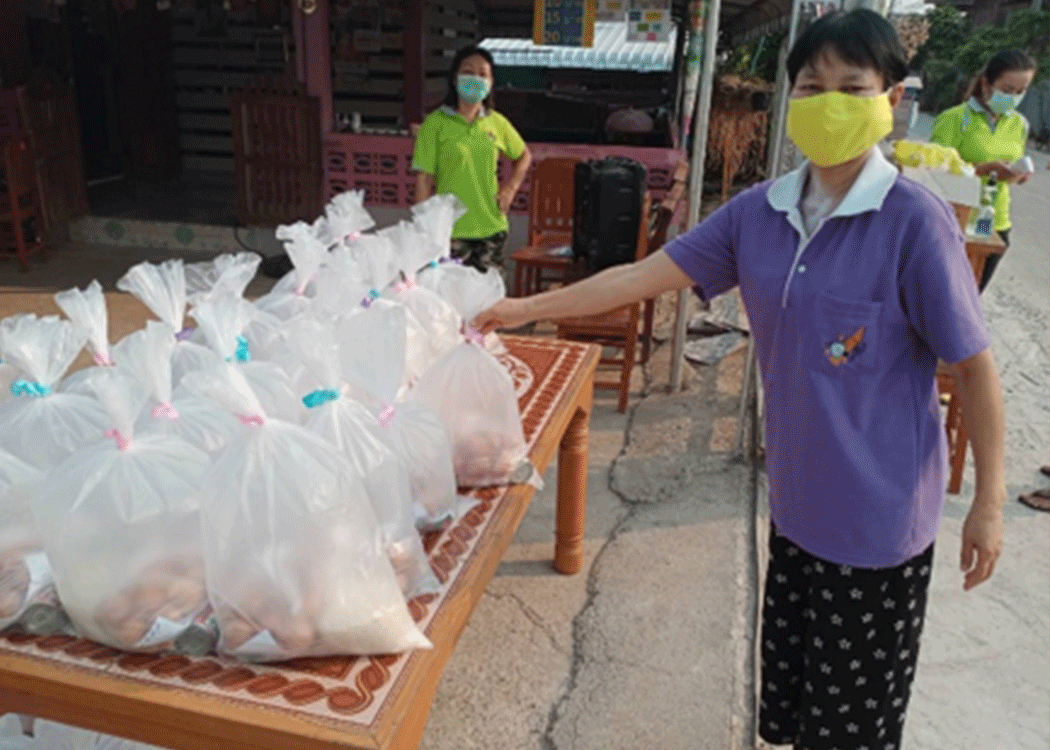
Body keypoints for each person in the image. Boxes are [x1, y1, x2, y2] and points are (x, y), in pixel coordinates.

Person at [474, 10, 1006, 749]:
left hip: (879, 529)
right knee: (791, 716)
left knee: (849, 734)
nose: (829, 103)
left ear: (890, 99)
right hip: (795, 511)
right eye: (812, 87)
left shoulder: (914, 222)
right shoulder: (760, 213)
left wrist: (988, 503)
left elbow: (974, 367)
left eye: (852, 87)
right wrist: (521, 308)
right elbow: (638, 276)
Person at [412, 45, 532, 273]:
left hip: (492, 227)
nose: (475, 79)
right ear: (454, 79)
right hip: (450, 231)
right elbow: (423, 179)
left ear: (491, 82)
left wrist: (510, 189)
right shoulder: (434, 124)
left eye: (482, 74)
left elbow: (524, 156)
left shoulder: (496, 122)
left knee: (490, 295)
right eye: (468, 71)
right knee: (450, 294)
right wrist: (423, 227)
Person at [930, 49, 1036, 291]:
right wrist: (981, 170)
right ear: (987, 84)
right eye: (1007, 90)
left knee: (971, 298)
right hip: (956, 221)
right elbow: (934, 173)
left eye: (1021, 91)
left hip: (991, 223)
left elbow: (1012, 165)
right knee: (938, 297)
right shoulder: (955, 119)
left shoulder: (1019, 124)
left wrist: (1017, 175)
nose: (1013, 97)